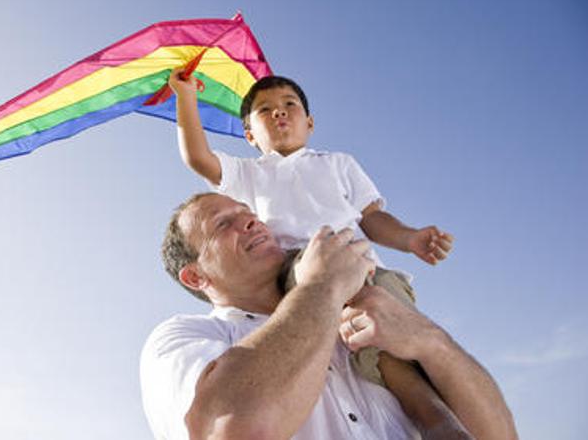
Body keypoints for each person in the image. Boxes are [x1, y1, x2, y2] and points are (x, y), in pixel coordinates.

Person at [169, 72, 454, 407]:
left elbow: (373, 219)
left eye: (290, 104)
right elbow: (197, 157)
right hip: (299, 270)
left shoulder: (338, 164)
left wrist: (411, 238)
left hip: (360, 261)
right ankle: (433, 419)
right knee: (356, 332)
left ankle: (440, 416)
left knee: (405, 339)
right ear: (249, 135)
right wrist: (185, 96)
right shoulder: (248, 173)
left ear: (310, 123)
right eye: (264, 110)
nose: (279, 112)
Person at [140, 192, 517, 439]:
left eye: (249, 213)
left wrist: (432, 341)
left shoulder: (370, 312)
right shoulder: (183, 338)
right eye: (224, 224)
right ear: (195, 275)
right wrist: (321, 286)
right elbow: (231, 428)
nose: (251, 222)